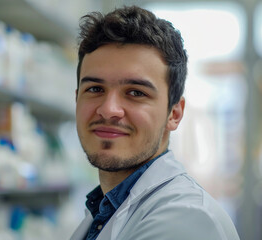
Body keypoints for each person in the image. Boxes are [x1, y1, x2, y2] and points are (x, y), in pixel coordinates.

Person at [70, 5, 240, 240]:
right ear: (77, 98)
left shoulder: (188, 222)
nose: (109, 110)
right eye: (95, 88)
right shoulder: (103, 210)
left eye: (136, 92)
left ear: (174, 114)